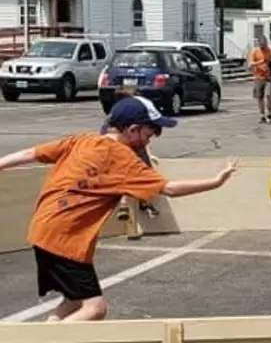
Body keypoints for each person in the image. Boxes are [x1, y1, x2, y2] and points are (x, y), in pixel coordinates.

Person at [0, 95, 238, 322]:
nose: (152, 138)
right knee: (95, 309)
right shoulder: (125, 161)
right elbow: (170, 189)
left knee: (74, 300)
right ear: (133, 130)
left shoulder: (83, 140)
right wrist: (215, 182)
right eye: (151, 131)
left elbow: (31, 153)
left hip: (44, 229)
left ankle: (49, 334)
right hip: (66, 238)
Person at [100, 88, 160, 220]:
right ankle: (141, 202)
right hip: (126, 149)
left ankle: (129, 204)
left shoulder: (112, 116)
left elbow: (103, 134)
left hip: (118, 150)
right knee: (138, 174)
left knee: (125, 176)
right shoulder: (131, 117)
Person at [247, 35, 271, 124]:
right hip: (258, 77)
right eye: (261, 45)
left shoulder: (270, 51)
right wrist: (260, 62)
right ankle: (262, 115)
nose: (263, 46)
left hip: (268, 78)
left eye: (264, 44)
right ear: (259, 44)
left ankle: (269, 113)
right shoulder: (255, 51)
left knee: (269, 96)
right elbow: (250, 64)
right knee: (259, 97)